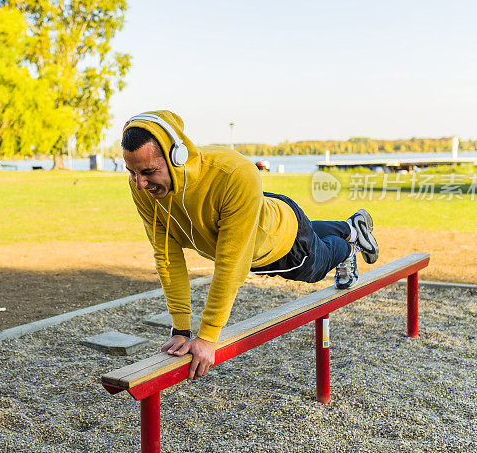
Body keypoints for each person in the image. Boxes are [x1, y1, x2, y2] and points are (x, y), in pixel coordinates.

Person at [121, 111, 379, 380]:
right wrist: (181, 329)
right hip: (266, 214)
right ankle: (351, 226)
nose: (140, 184)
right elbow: (166, 254)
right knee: (311, 233)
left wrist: (208, 337)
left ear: (177, 155)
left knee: (316, 267)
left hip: (281, 243)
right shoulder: (145, 187)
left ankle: (349, 246)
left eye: (149, 172)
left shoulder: (233, 173)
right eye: (133, 172)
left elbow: (231, 263)